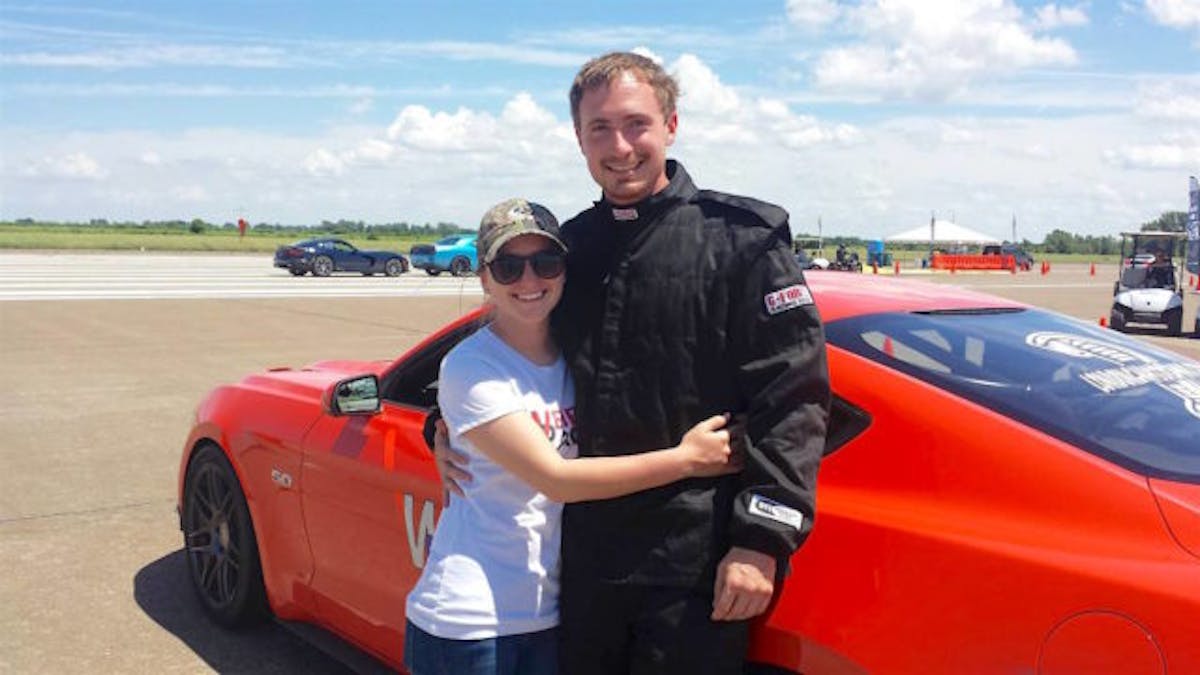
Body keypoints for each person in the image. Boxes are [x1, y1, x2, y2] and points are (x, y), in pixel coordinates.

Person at [437, 51, 830, 673]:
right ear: (579, 138)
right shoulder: (572, 249)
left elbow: (795, 399)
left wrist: (762, 538)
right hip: (584, 567)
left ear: (671, 125)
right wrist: (447, 424)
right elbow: (515, 345)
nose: (620, 146)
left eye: (636, 124)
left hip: (693, 570)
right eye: (600, 129)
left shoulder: (742, 241)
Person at [404, 198, 741, 675]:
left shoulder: (576, 358)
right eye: (508, 266)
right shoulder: (471, 365)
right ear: (484, 279)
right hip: (470, 622)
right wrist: (687, 459)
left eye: (546, 262)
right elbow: (557, 479)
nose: (529, 280)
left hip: (546, 617)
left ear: (564, 270)